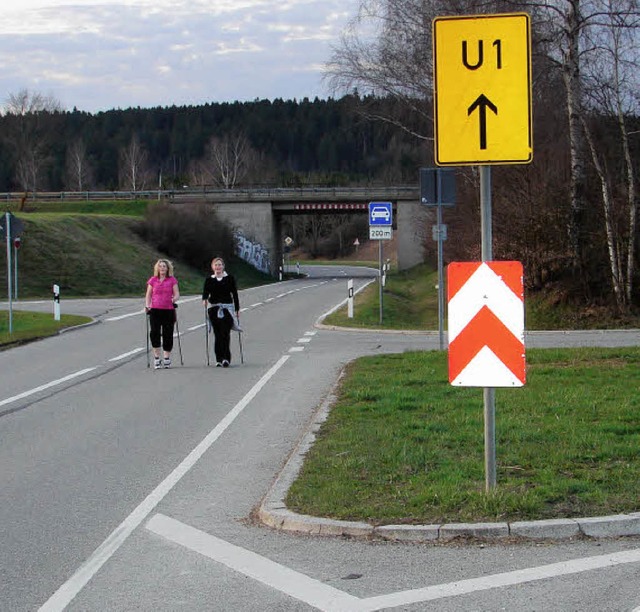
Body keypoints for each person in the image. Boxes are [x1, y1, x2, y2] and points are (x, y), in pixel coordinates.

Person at [202, 257, 240, 367]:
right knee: (217, 334)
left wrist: (237, 309)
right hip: (213, 309)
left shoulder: (229, 279)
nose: (218, 267)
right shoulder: (209, 280)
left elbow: (235, 294)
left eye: (220, 265)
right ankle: (219, 358)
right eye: (216, 265)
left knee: (225, 333)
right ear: (212, 267)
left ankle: (226, 358)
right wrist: (204, 300)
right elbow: (205, 293)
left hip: (227, 309)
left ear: (223, 266)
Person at [145, 259, 180, 369]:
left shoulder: (172, 280)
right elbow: (148, 295)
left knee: (168, 333)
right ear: (157, 268)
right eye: (160, 266)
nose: (162, 268)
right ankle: (156, 357)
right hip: (155, 310)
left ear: (168, 268)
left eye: (164, 266)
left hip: (168, 310)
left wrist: (173, 300)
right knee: (154, 333)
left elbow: (177, 294)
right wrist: (147, 306)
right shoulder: (153, 280)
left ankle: (166, 358)